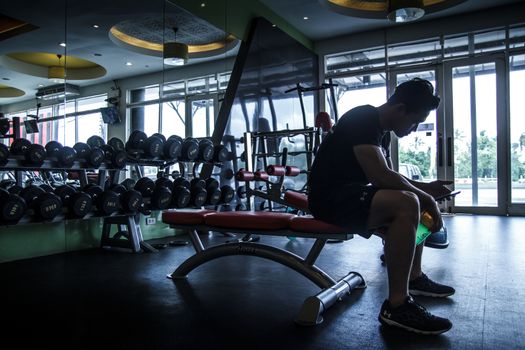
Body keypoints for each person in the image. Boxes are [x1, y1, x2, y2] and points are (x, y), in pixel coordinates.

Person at [308, 78, 455, 335]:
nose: (414, 128)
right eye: (414, 121)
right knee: (409, 201)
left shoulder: (381, 133)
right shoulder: (362, 117)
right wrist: (426, 197)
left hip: (351, 195)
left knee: (412, 200)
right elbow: (380, 176)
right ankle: (397, 306)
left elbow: (389, 175)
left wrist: (426, 188)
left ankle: (414, 276)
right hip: (330, 199)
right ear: (399, 109)